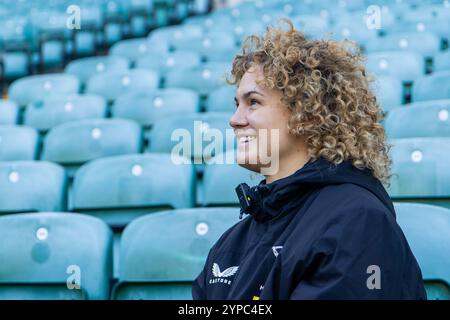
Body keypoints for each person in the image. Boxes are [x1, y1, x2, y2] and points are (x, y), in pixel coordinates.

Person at [192, 20, 427, 300]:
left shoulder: (358, 222)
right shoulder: (231, 244)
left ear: (307, 114)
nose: (234, 120)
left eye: (253, 102)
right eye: (236, 104)